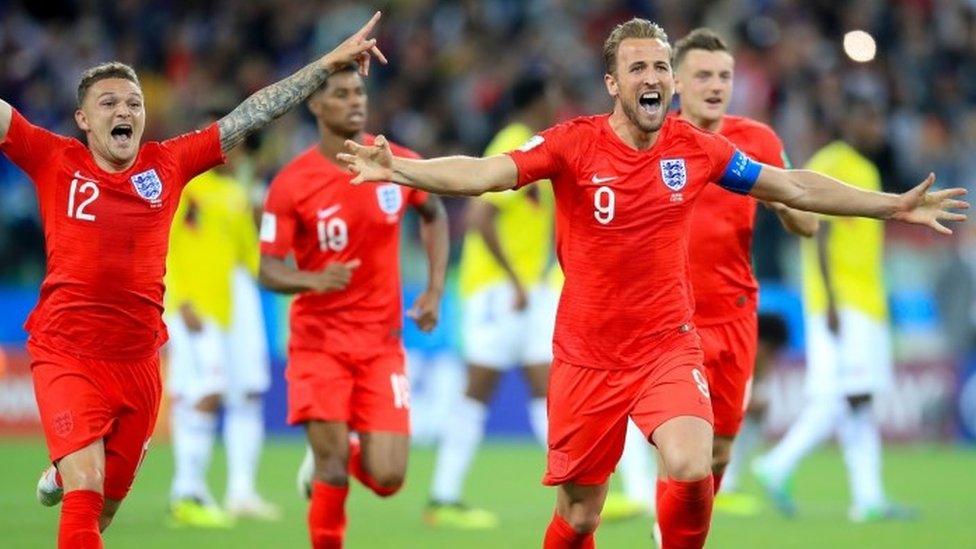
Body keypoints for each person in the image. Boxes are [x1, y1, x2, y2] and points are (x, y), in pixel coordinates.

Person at [338, 18, 967, 549]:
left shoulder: (696, 148)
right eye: (638, 69)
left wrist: (891, 205)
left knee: (693, 467)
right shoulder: (571, 144)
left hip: (669, 343)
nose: (653, 79)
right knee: (580, 513)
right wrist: (403, 170)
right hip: (587, 354)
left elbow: (792, 185)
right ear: (613, 83)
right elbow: (485, 174)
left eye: (661, 68)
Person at [10, 13, 386, 548]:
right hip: (66, 352)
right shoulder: (54, 158)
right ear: (83, 120)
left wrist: (325, 64)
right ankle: (72, 468)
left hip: (139, 362)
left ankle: (64, 469)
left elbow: (252, 113)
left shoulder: (167, 164)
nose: (124, 111)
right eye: (109, 104)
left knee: (104, 510)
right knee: (87, 488)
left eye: (134, 103)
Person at [602, 27, 820, 524]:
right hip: (670, 319)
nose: (715, 85)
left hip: (734, 314)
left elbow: (806, 223)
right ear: (677, 81)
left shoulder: (757, 141)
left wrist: (779, 202)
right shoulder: (652, 138)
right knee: (679, 448)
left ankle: (680, 527)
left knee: (717, 452)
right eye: (703, 75)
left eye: (724, 76)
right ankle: (665, 532)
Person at [258, 61, 449, 549]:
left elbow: (434, 210)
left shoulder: (392, 161)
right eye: (341, 93)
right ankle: (331, 460)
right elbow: (269, 268)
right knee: (333, 470)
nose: (355, 101)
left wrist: (434, 289)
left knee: (388, 478)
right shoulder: (292, 184)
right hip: (318, 346)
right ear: (316, 105)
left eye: (359, 92)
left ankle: (343, 448)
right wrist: (313, 279)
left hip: (382, 345)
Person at [753, 97, 916, 522]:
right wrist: (828, 297)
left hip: (867, 299)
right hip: (842, 302)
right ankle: (778, 463)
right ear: (849, 119)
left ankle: (869, 498)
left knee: (857, 400)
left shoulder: (869, 169)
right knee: (851, 394)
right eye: (869, 116)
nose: (876, 126)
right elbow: (819, 233)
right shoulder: (832, 161)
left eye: (879, 117)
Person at [424, 74, 559, 530]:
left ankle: (574, 484)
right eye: (552, 97)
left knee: (548, 387)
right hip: (496, 290)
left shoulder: (533, 142)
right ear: (537, 100)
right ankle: (442, 497)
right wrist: (514, 279)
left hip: (526, 291)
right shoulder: (515, 143)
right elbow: (480, 217)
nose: (557, 104)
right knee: (478, 389)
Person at [164, 126, 278, 527]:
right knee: (206, 391)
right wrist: (178, 299)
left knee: (245, 393)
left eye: (237, 144)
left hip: (235, 306)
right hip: (195, 306)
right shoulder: (187, 190)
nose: (231, 152)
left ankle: (241, 492)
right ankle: (186, 491)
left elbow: (253, 259)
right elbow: (160, 243)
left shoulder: (236, 196)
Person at [713, 312, 789, 515]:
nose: (772, 356)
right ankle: (717, 486)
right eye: (772, 350)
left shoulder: (758, 360)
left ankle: (726, 483)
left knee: (755, 417)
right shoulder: (734, 348)